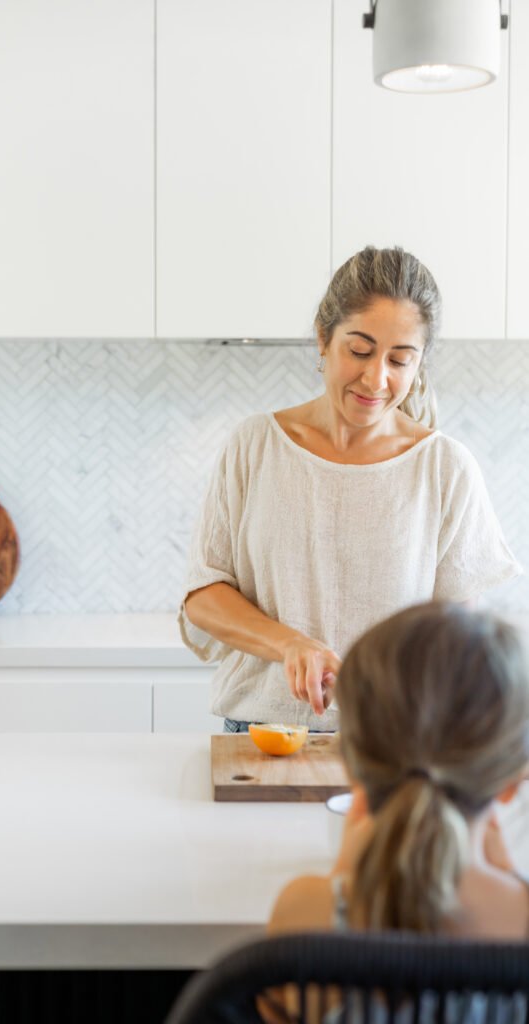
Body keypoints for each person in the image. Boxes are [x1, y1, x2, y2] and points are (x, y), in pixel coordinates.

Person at [178, 246, 522, 733]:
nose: (376, 378)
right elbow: (204, 595)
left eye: (400, 360)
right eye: (359, 350)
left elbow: (454, 638)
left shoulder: (445, 468)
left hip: (392, 741)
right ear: (323, 338)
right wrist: (291, 644)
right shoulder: (255, 446)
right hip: (262, 733)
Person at [258, 601, 529, 1024]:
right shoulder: (519, 919)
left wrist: (342, 874)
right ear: (512, 780)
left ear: (351, 764)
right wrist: (510, 875)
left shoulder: (303, 912)